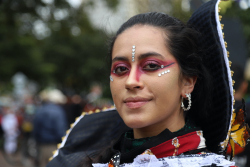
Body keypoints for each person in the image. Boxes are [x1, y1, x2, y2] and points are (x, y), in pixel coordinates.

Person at [47, 0, 249, 166]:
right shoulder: (82, 159)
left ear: (187, 82)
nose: (131, 81)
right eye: (120, 69)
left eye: (151, 66)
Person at [33, 89, 67, 167]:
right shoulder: (58, 111)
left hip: (41, 145)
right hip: (53, 145)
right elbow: (60, 131)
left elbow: (35, 130)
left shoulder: (40, 110)